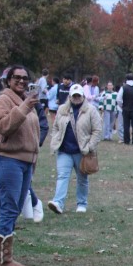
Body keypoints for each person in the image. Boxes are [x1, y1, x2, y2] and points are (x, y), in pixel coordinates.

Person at [0, 65, 40, 266]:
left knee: (14, 209)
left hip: (25, 161)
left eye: (25, 78)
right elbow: (3, 127)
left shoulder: (25, 100)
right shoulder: (3, 100)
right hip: (9, 160)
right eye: (16, 77)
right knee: (9, 209)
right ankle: (5, 260)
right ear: (8, 80)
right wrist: (24, 108)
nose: (21, 81)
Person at [46, 83, 101, 214]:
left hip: (82, 151)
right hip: (64, 150)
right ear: (69, 97)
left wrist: (89, 146)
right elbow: (56, 127)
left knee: (82, 178)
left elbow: (97, 130)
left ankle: (82, 203)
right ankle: (58, 203)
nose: (76, 98)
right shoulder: (62, 109)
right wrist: (55, 139)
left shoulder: (91, 110)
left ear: (83, 96)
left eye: (78, 96)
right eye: (74, 96)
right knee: (62, 176)